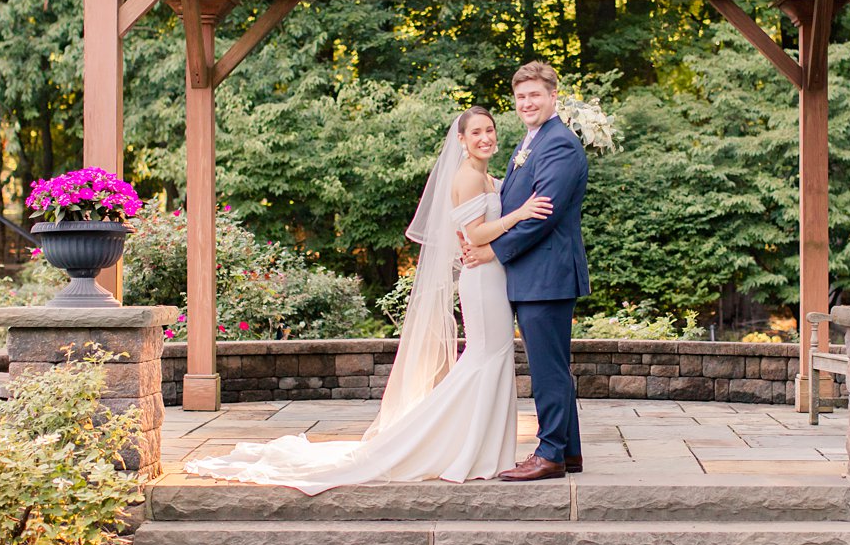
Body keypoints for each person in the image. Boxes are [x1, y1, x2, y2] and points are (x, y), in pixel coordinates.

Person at [182, 106, 550, 494]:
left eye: (489, 130)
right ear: (460, 140)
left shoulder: (486, 177)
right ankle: (449, 445)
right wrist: (520, 214)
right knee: (483, 359)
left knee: (492, 358)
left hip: (492, 276)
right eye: (475, 132)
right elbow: (475, 236)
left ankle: (481, 449)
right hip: (482, 281)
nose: (485, 138)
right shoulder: (467, 178)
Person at [463, 61, 589, 481]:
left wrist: (493, 251)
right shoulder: (531, 141)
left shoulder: (560, 144)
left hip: (547, 276)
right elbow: (517, 199)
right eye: (520, 97)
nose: (527, 103)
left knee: (548, 368)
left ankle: (550, 453)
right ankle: (569, 451)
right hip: (533, 275)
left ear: (554, 96)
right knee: (552, 364)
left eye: (535, 95)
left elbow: (542, 217)